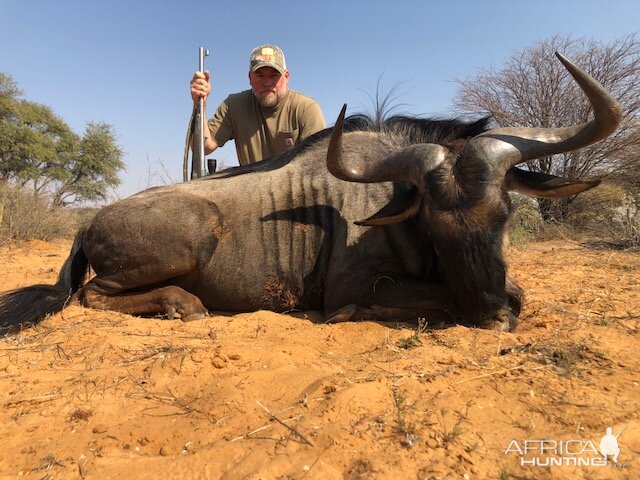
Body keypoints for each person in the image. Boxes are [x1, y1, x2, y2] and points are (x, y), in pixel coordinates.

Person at [189, 44, 326, 166]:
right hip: (249, 191)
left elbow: (316, 168)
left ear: (287, 76)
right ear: (249, 78)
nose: (267, 83)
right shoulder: (234, 105)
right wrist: (200, 105)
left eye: (273, 75)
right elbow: (202, 148)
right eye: (260, 76)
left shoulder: (307, 109)